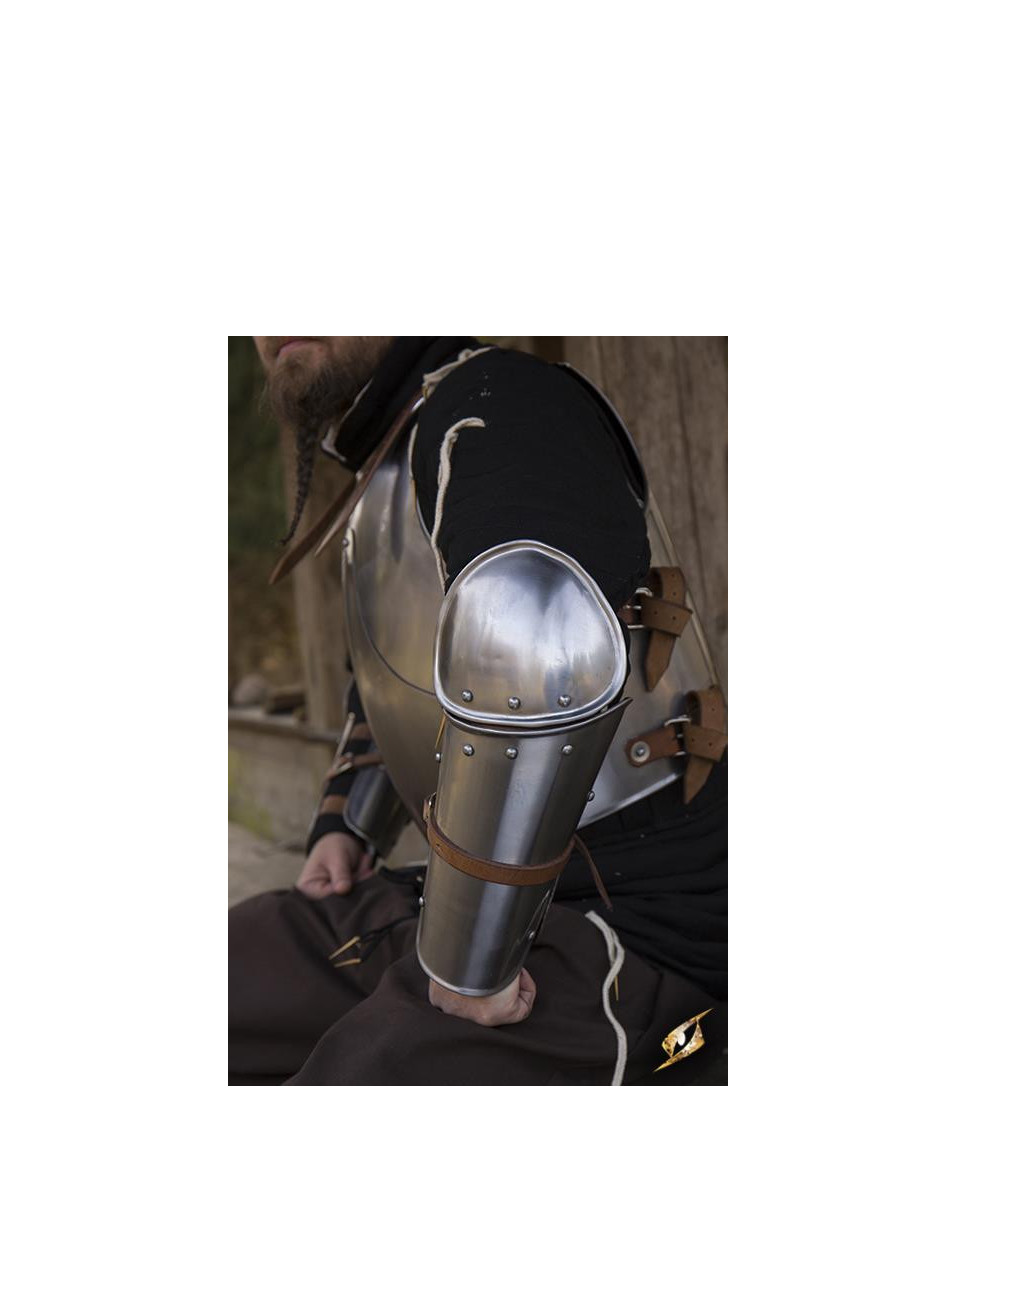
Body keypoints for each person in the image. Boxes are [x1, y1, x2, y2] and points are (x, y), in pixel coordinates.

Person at [229, 336, 727, 1085]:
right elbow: (396, 679)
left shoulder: (499, 404)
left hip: (649, 927)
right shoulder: (389, 463)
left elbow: (530, 643)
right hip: (467, 899)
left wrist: (472, 964)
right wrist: (346, 826)